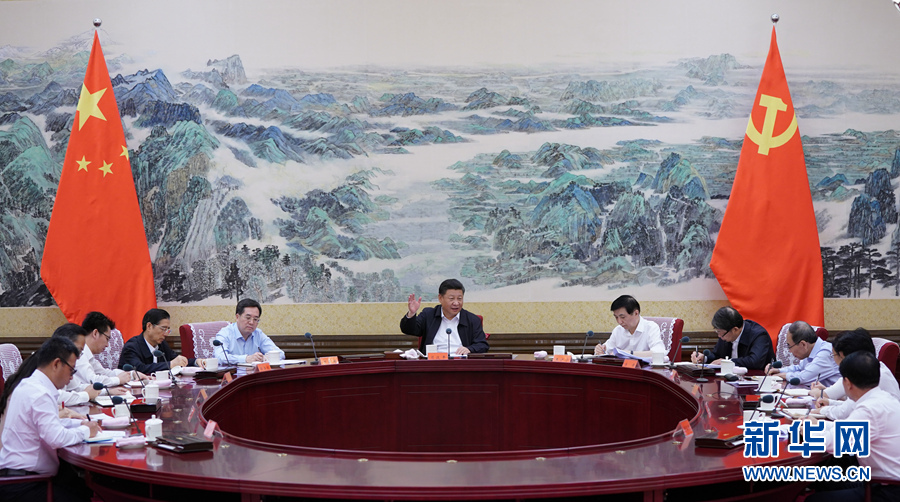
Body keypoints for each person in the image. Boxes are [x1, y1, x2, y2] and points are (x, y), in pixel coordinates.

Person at [0, 336, 101, 502]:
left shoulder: (29, 384)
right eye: (71, 370)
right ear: (56, 364)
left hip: (19, 477)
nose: (71, 377)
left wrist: (78, 423)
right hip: (24, 483)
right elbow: (56, 438)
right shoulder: (40, 393)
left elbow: (48, 424)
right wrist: (85, 431)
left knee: (82, 487)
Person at [806, 351, 900, 502]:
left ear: (847, 383)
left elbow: (833, 443)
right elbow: (846, 428)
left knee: (814, 500)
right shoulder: (883, 398)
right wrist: (819, 425)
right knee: (824, 482)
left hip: (888, 489)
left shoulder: (869, 409)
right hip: (883, 480)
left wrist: (807, 429)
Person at [813, 328, 900, 420]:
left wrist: (821, 412)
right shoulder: (876, 368)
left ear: (842, 355)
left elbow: (845, 413)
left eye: (833, 355)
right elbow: (853, 405)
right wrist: (830, 403)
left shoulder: (865, 373)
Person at [401, 278, 488, 355]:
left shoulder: (472, 320)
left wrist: (470, 349)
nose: (456, 303)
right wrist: (412, 313)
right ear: (440, 298)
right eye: (451, 298)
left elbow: (482, 345)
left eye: (459, 298)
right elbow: (409, 330)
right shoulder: (428, 315)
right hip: (433, 363)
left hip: (461, 363)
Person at [73, 311, 146, 389]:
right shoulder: (80, 353)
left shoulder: (89, 355)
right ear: (95, 333)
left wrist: (132, 374)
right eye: (107, 339)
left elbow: (105, 373)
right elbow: (93, 381)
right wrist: (118, 380)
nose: (107, 345)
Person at [118, 308, 201, 374]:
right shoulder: (131, 347)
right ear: (149, 326)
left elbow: (176, 360)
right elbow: (139, 369)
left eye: (168, 330)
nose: (166, 334)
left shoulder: (162, 344)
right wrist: (170, 364)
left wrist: (196, 361)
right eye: (163, 329)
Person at [690, 306, 774, 370]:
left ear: (735, 330)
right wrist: (704, 358)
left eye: (720, 333)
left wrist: (728, 362)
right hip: (730, 379)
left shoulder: (759, 335)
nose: (719, 336)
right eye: (717, 332)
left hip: (757, 380)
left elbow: (755, 362)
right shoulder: (726, 332)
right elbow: (717, 356)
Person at [766, 320, 840, 387]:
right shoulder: (812, 350)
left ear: (803, 344)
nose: (789, 351)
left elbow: (803, 378)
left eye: (789, 346)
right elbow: (799, 368)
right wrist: (778, 370)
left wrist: (779, 375)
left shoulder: (826, 353)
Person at [214, 299, 284, 364]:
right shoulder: (225, 333)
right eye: (248, 318)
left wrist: (266, 357)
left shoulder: (258, 334)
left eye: (255, 319)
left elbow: (280, 353)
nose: (251, 322)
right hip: (232, 373)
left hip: (253, 373)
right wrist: (245, 359)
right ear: (237, 317)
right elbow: (219, 357)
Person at [593, 295, 664, 357]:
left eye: (623, 317)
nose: (619, 322)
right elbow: (606, 350)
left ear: (636, 313)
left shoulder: (651, 327)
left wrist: (629, 353)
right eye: (616, 317)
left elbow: (659, 352)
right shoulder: (618, 330)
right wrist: (599, 350)